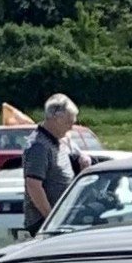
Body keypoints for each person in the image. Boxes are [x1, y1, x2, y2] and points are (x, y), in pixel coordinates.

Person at [23, 93, 87, 236]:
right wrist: (52, 219)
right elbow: (33, 185)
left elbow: (77, 154)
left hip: (62, 218)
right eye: (69, 122)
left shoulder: (59, 139)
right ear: (56, 119)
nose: (71, 127)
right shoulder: (38, 146)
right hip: (46, 223)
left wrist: (82, 159)